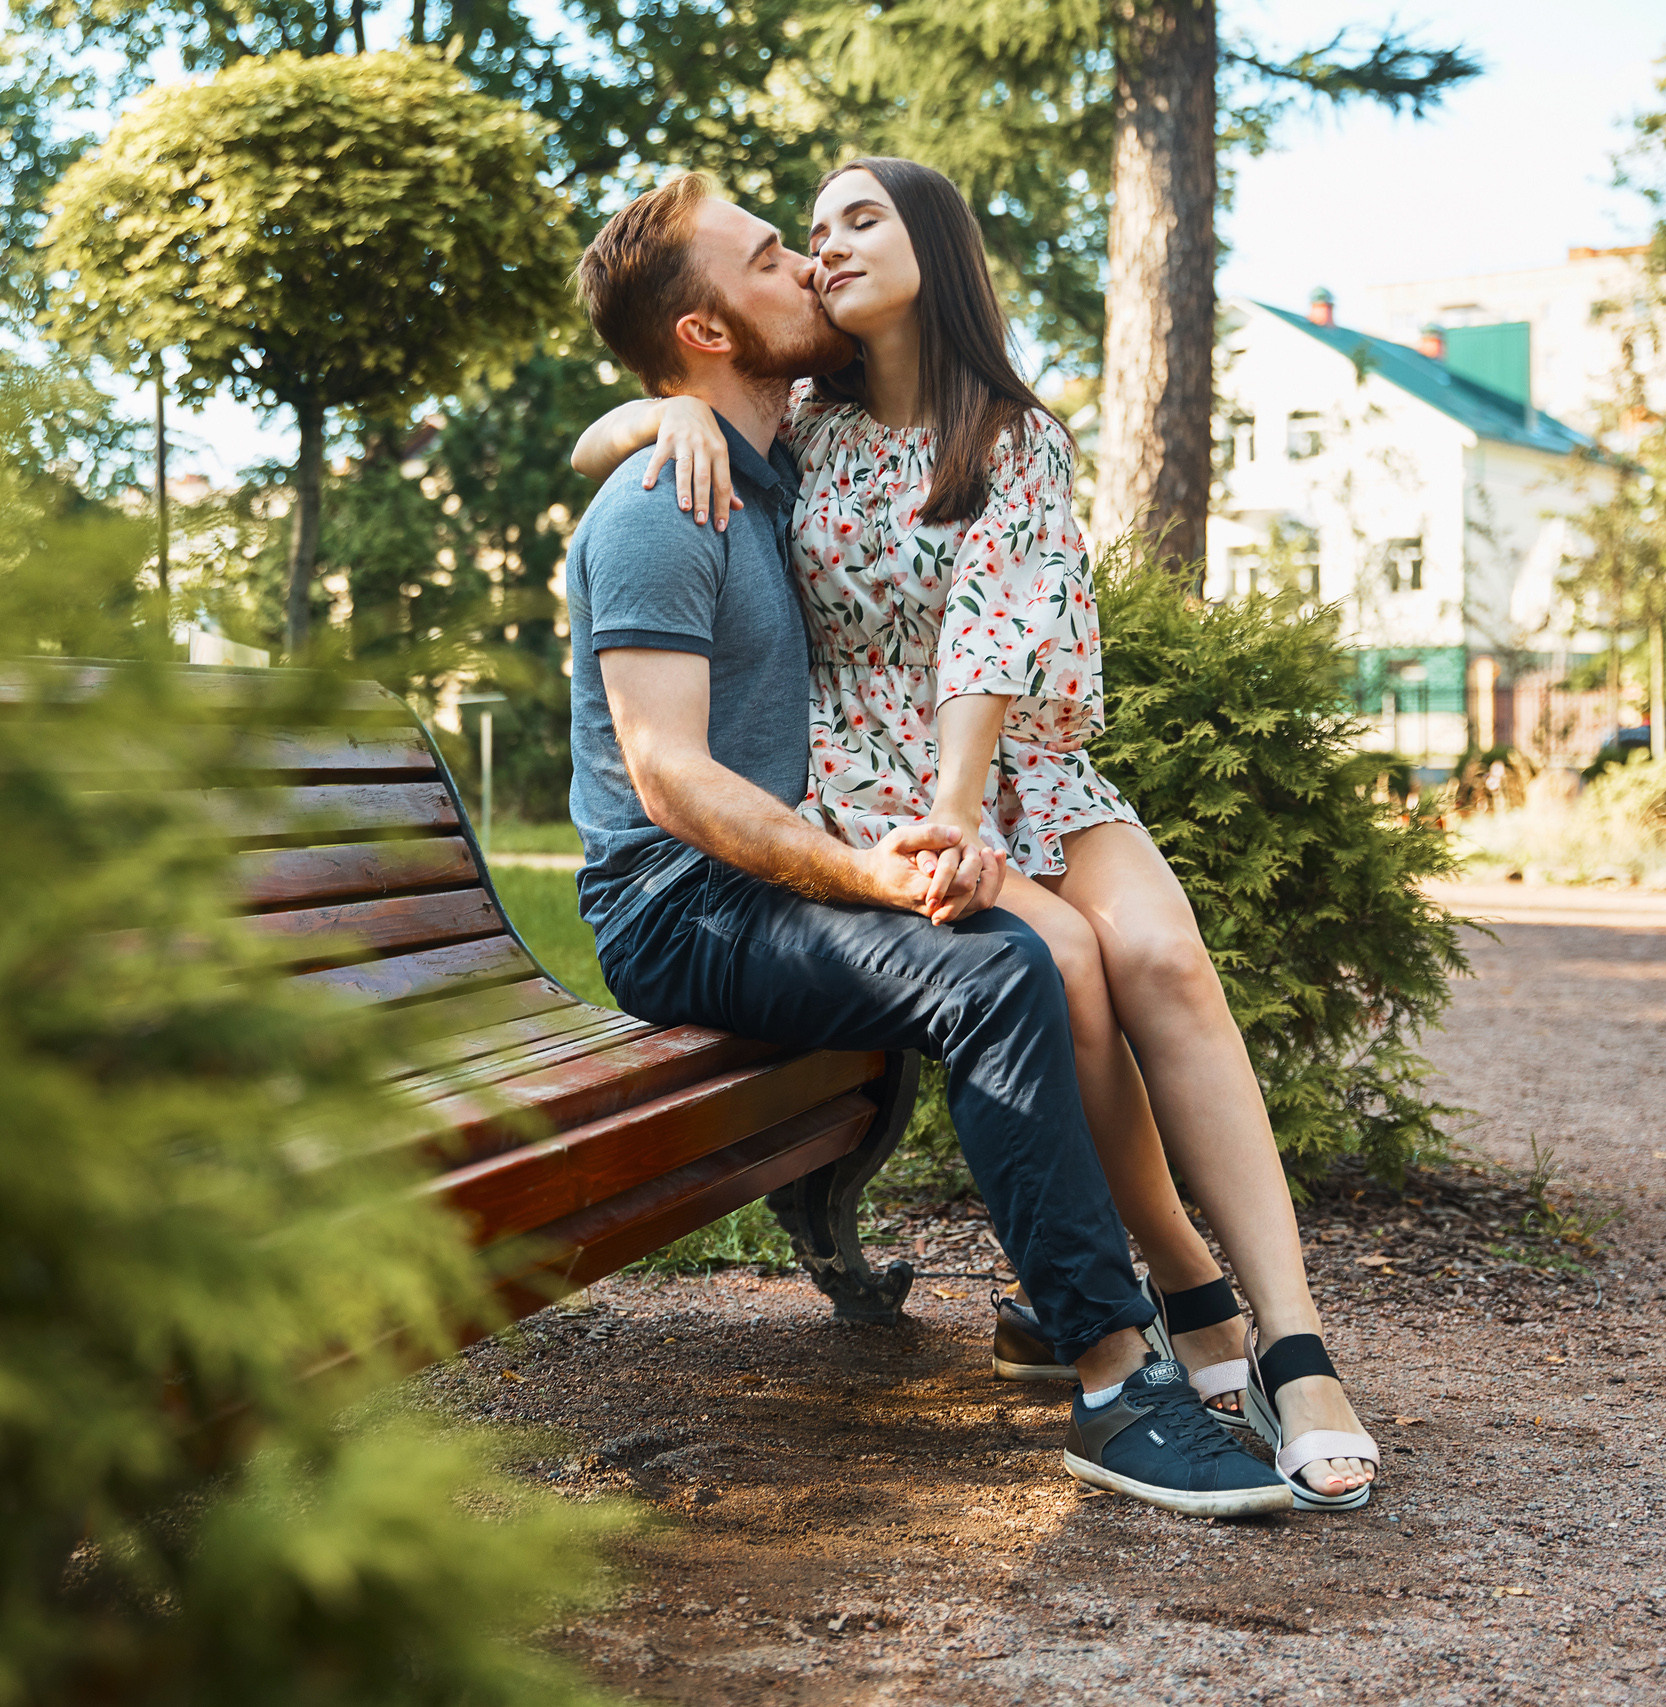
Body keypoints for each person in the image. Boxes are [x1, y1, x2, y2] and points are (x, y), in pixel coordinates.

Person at [571, 161, 1378, 1513]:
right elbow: (670, 778)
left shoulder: (823, 447)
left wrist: (656, 407)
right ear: (708, 333)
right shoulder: (701, 476)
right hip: (733, 873)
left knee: (1138, 964)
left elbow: (993, 627)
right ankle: (1134, 1356)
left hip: (930, 800)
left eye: (832, 233)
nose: (810, 262)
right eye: (778, 252)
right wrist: (648, 418)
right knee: (1020, 968)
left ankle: (1261, 1340)